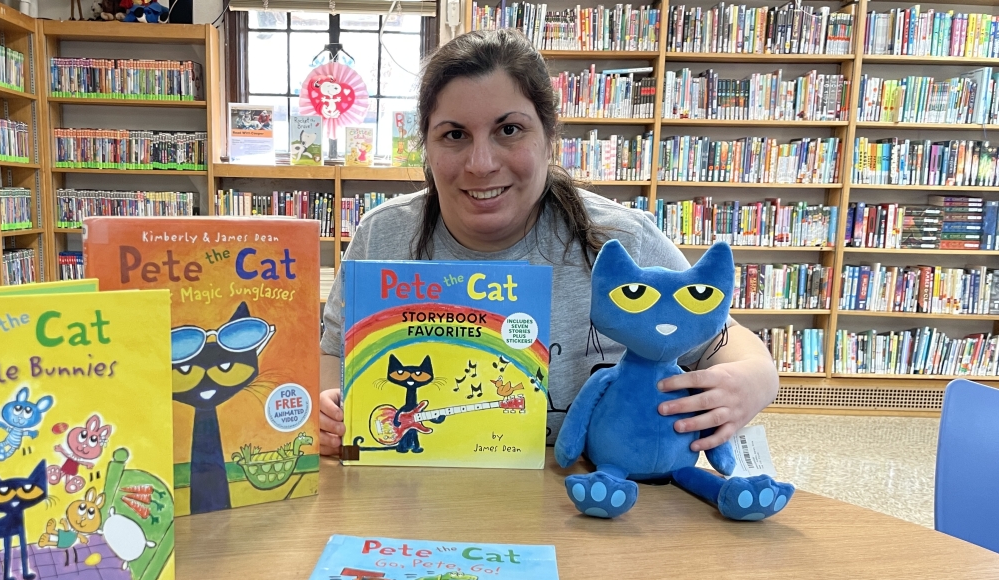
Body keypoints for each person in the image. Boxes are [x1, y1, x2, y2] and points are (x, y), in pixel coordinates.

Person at [317, 29, 778, 457]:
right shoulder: (383, 234)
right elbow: (334, 353)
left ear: (549, 137)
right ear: (427, 145)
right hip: (410, 502)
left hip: (581, 506)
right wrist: (327, 410)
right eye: (454, 135)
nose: (480, 163)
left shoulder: (620, 241)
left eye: (509, 130)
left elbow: (722, 339)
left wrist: (753, 378)